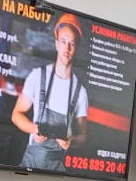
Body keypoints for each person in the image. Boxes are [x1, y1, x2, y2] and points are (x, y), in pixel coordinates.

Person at [11, 12, 88, 172]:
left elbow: (82, 137)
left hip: (57, 166)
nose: (67, 48)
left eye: (72, 43)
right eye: (63, 41)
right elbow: (16, 115)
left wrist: (71, 141)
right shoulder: (37, 76)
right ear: (57, 43)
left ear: (76, 47)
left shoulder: (80, 91)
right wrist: (34, 129)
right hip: (31, 162)